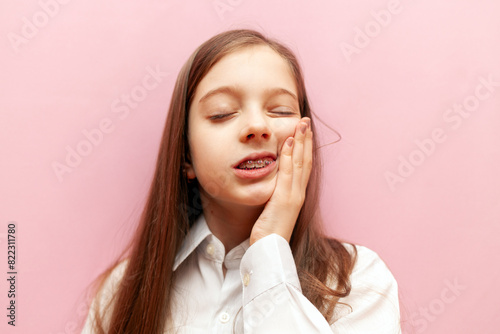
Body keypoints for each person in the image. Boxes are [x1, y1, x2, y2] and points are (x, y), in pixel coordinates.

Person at [81, 28, 401, 334]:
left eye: (280, 110)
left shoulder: (358, 279)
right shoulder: (122, 291)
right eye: (222, 113)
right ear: (186, 157)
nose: (257, 126)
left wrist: (269, 244)